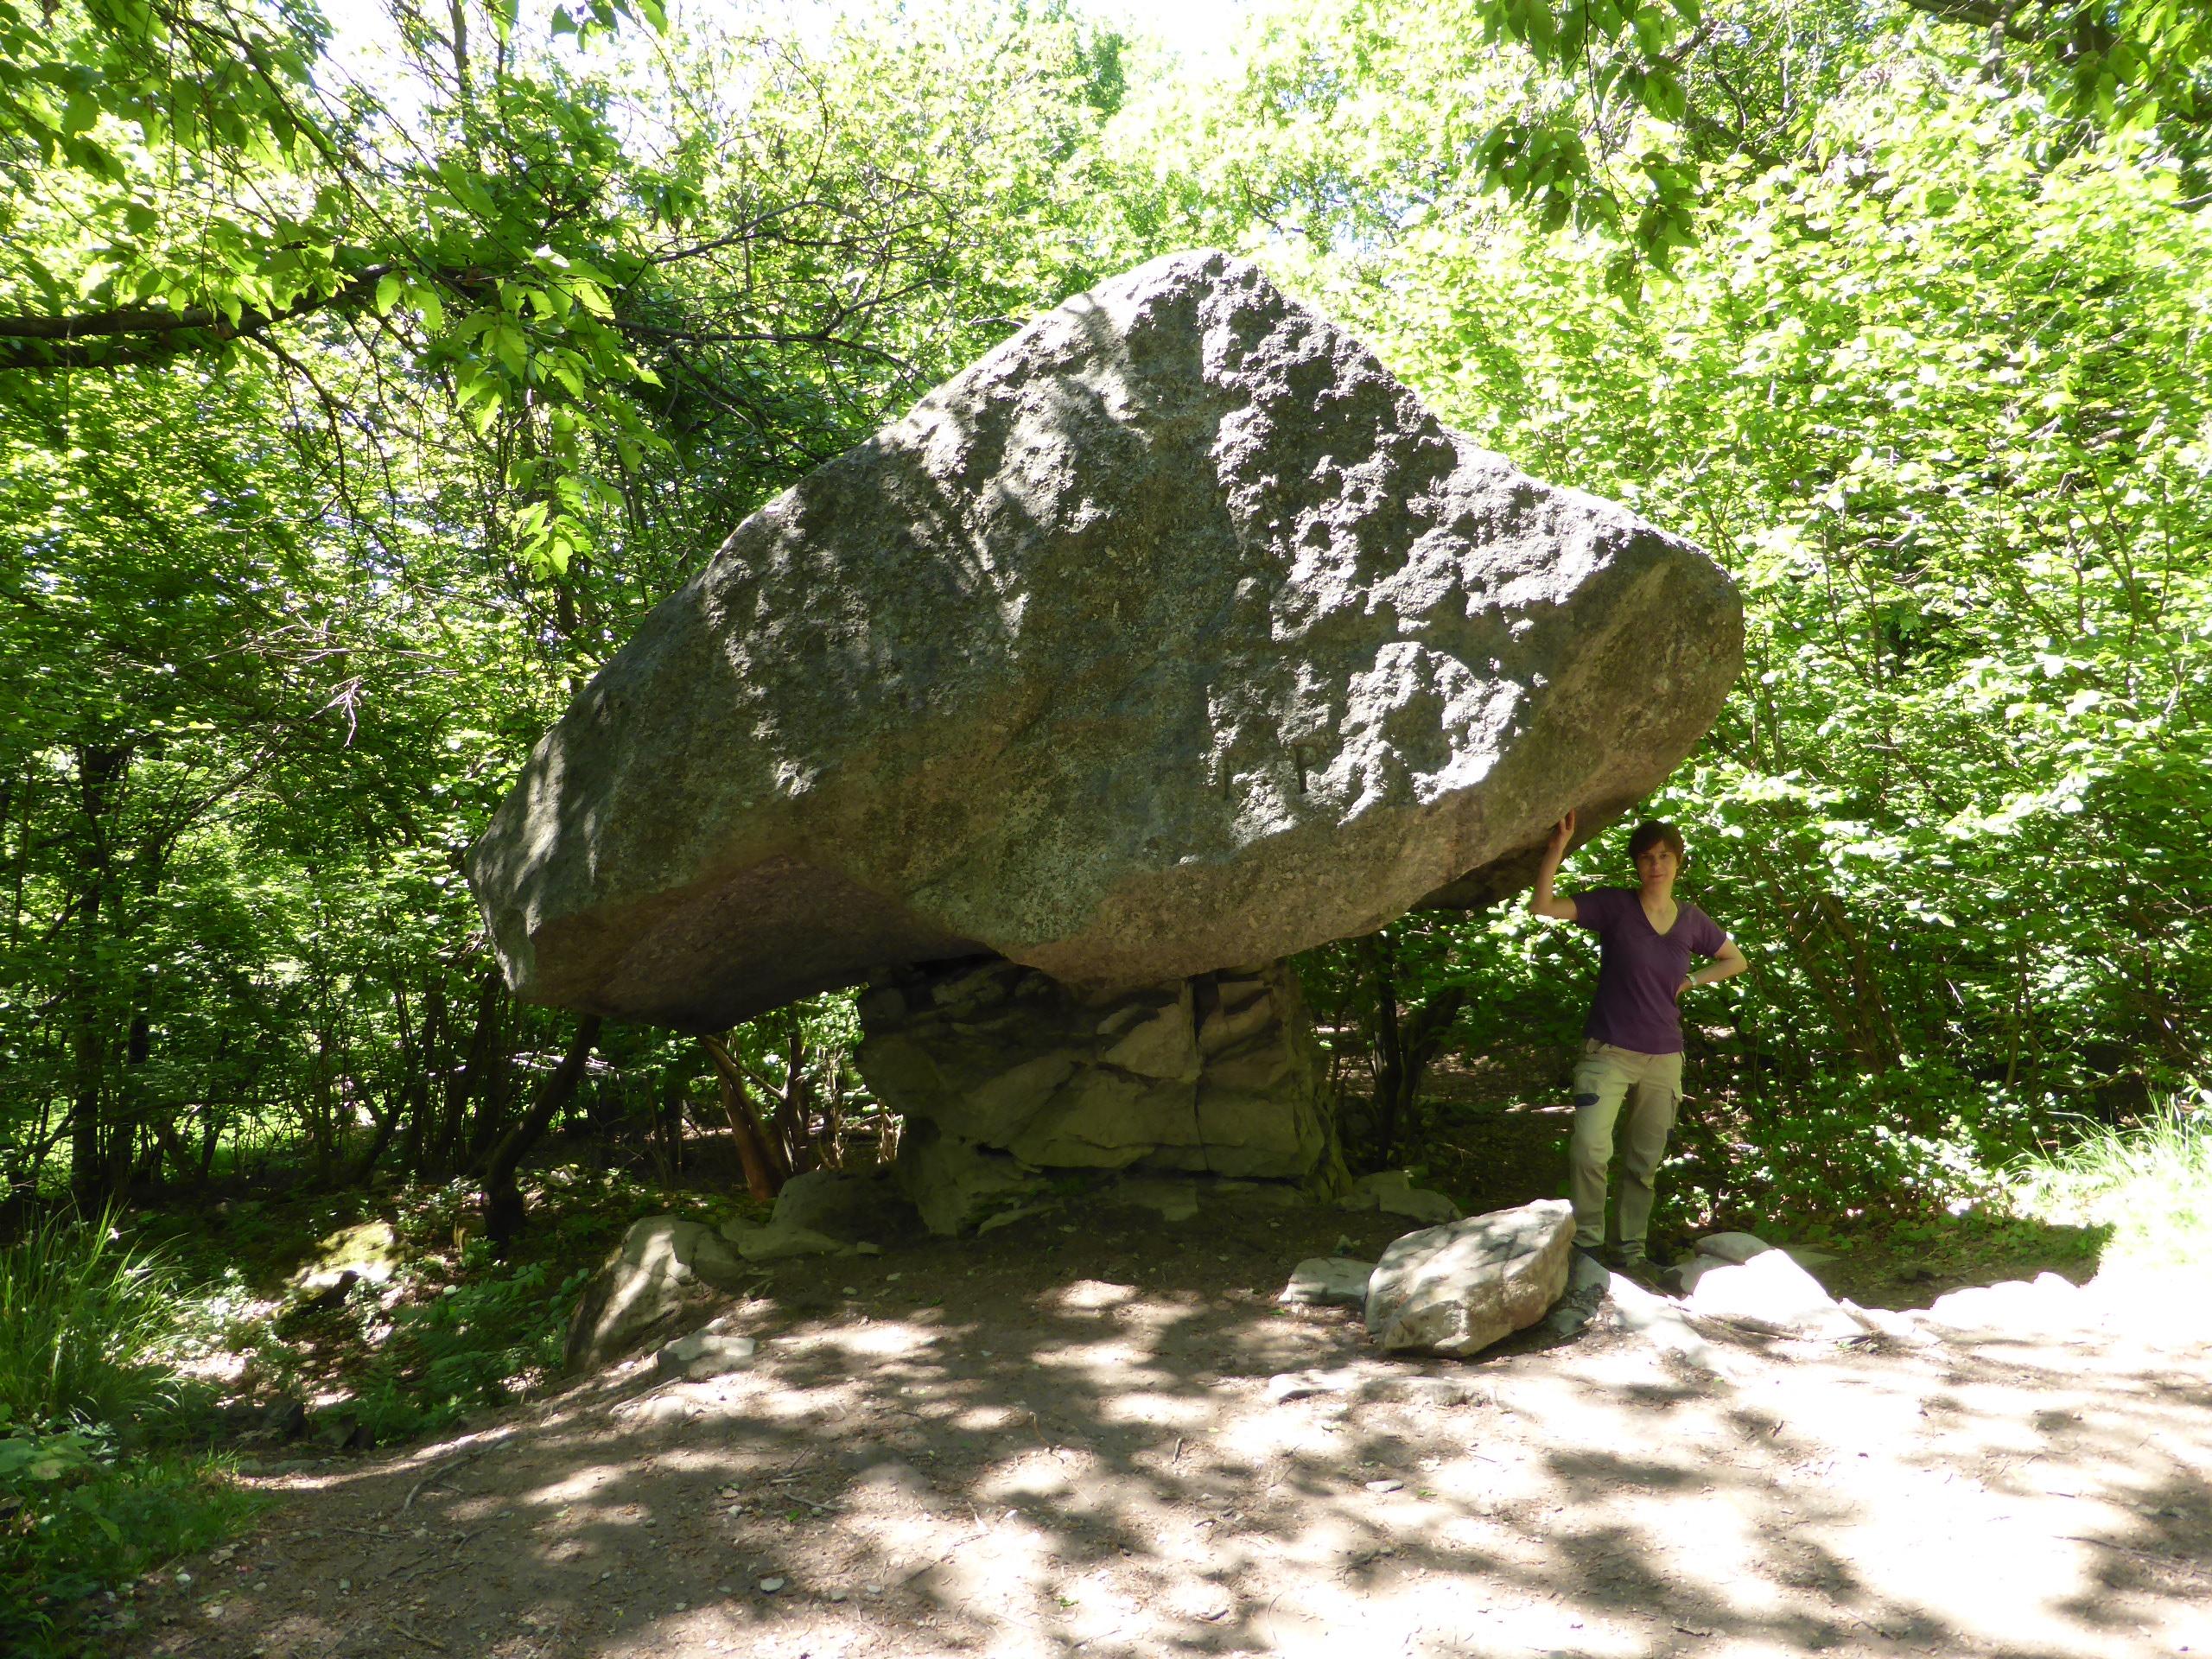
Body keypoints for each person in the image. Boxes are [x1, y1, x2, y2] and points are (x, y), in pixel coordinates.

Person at [1528, 810, 1746, 1281]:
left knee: (1643, 1164)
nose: (1656, 865)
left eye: (1664, 856)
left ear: (1679, 861)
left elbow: (1735, 959)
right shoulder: (1614, 907)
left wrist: (1692, 979)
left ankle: (1630, 1254)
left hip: (1664, 1057)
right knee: (1589, 1151)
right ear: (1636, 864)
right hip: (1607, 1052)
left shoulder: (1691, 920)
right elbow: (1542, 906)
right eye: (1647, 857)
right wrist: (1555, 850)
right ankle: (1586, 1248)